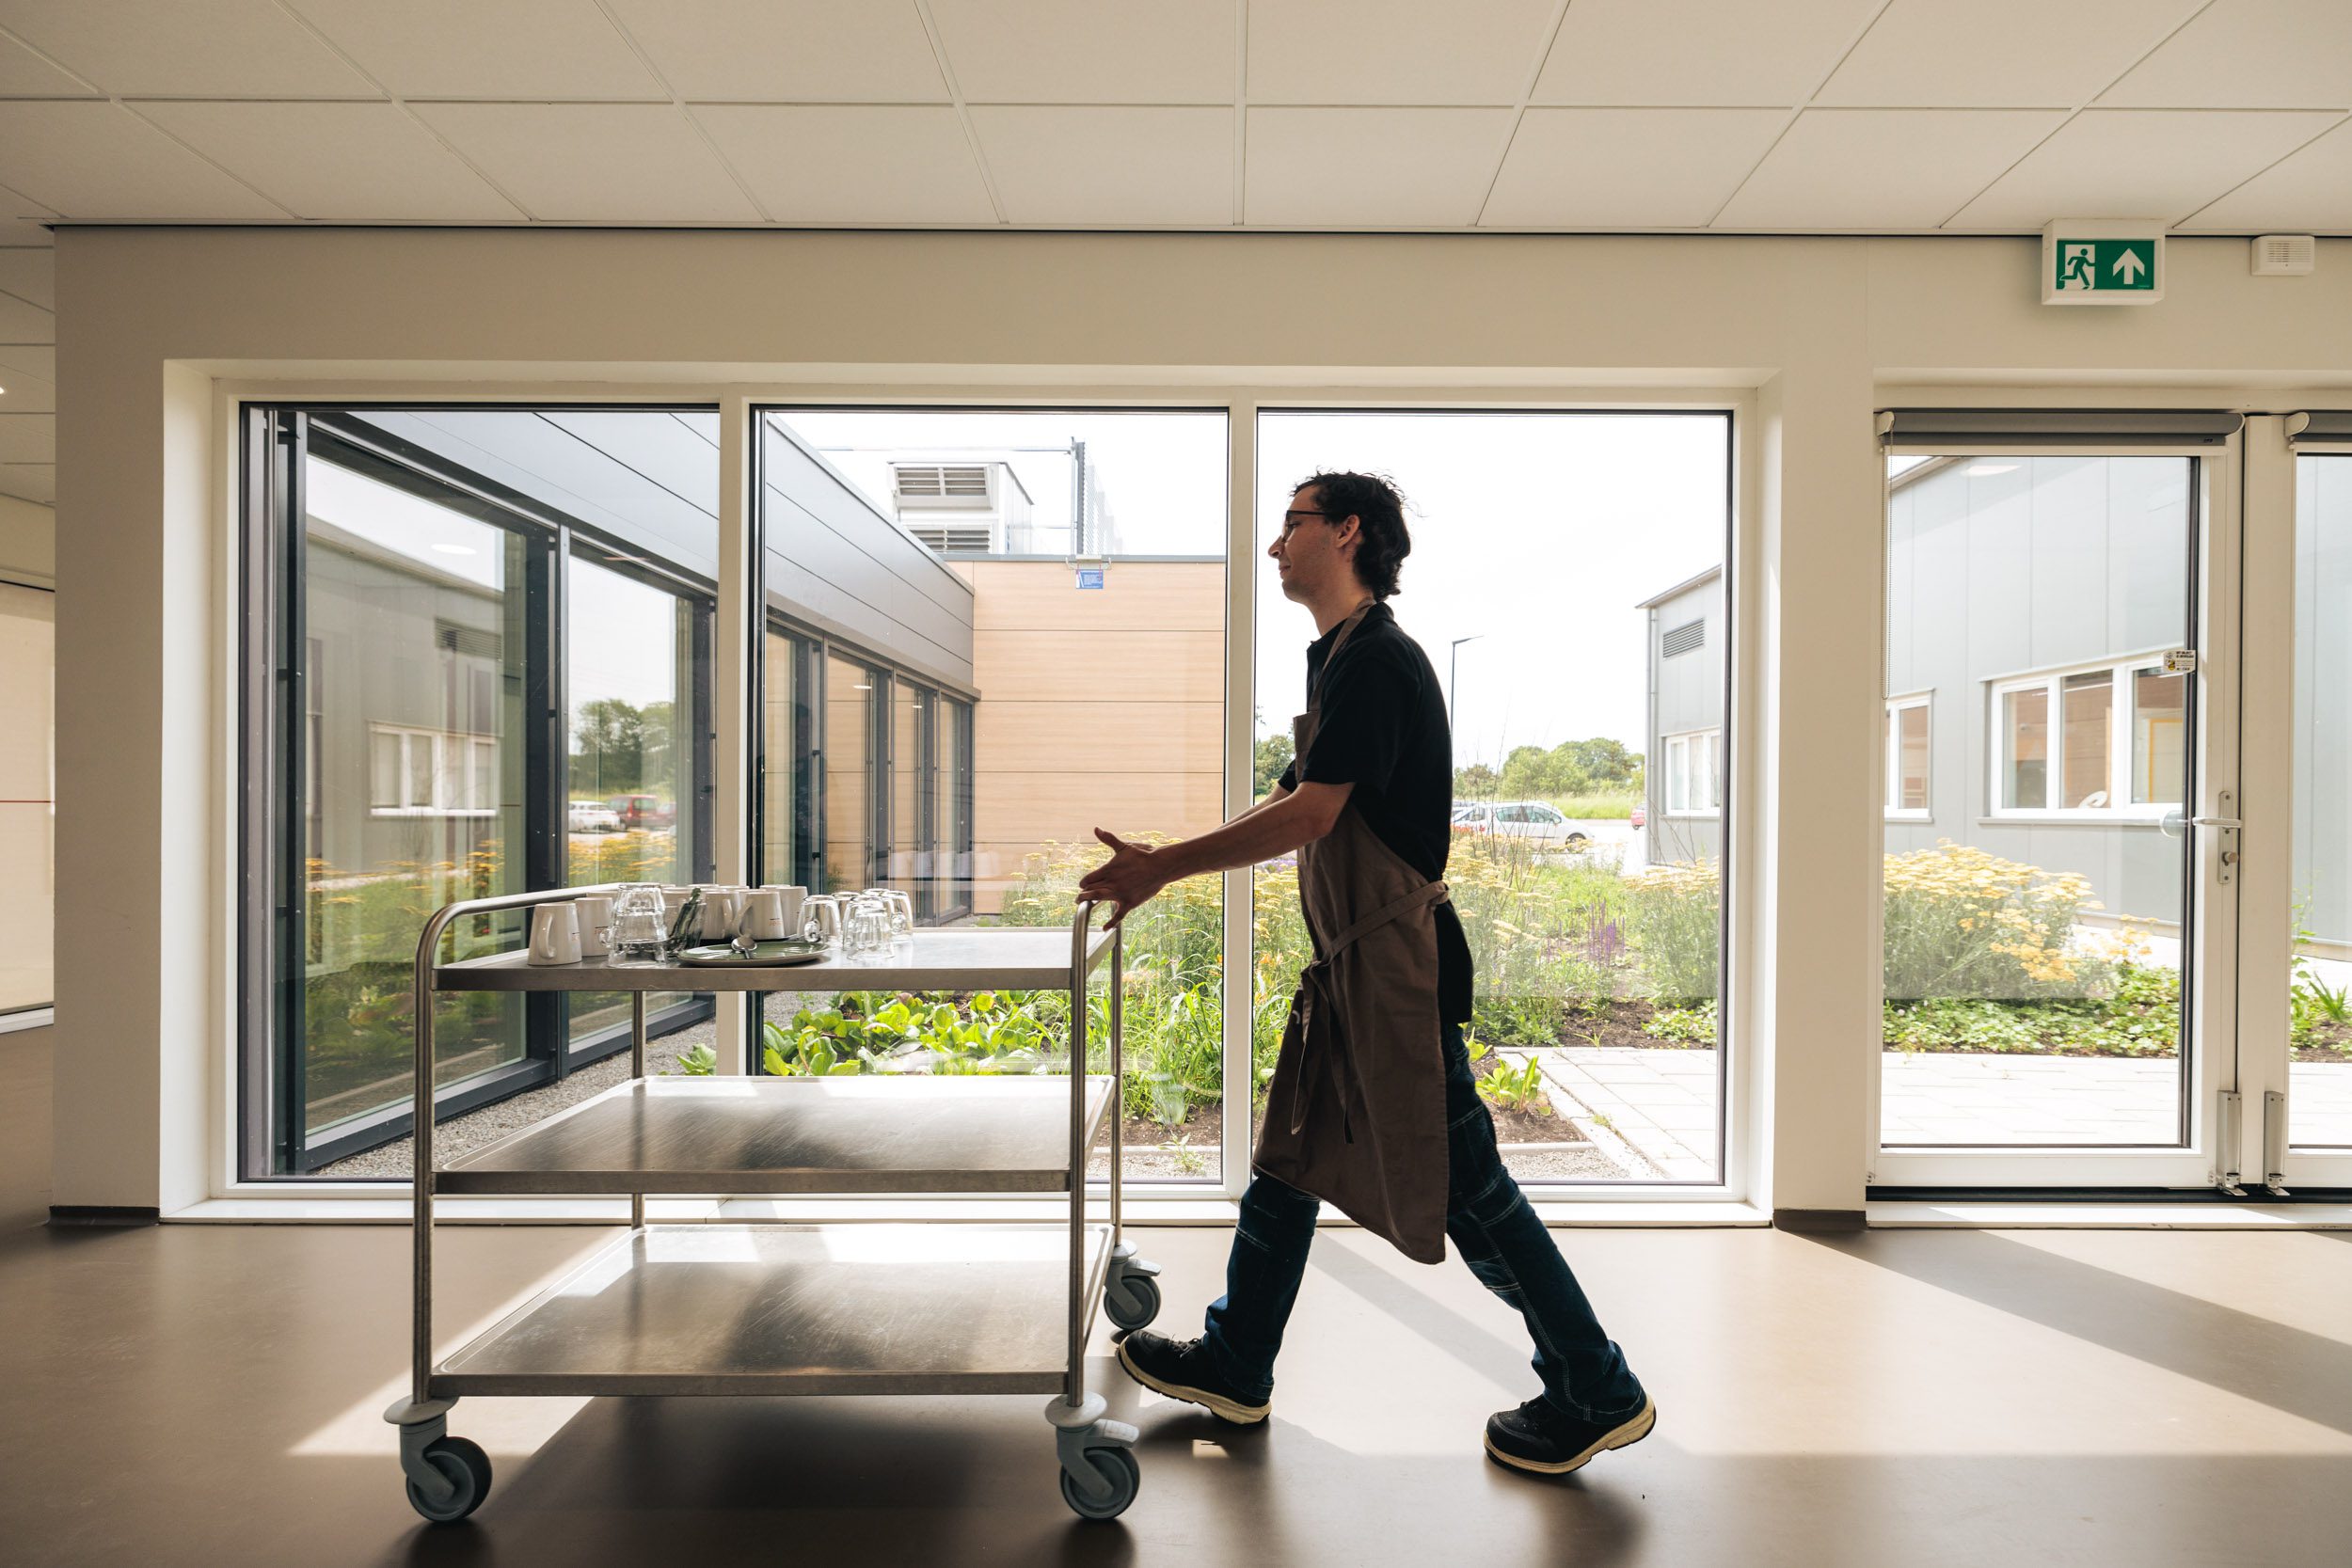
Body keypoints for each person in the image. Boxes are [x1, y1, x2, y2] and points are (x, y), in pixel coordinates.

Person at [1077, 471, 1654, 1477]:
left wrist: (1160, 865)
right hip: (1354, 968)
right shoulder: (1338, 658)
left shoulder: (1378, 658)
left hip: (1391, 968)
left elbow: (1310, 816)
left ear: (1345, 532)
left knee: (1470, 1186)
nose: (1275, 546)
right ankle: (1237, 1358)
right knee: (1288, 1157)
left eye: (1290, 523)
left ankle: (1593, 1383)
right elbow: (1299, 791)